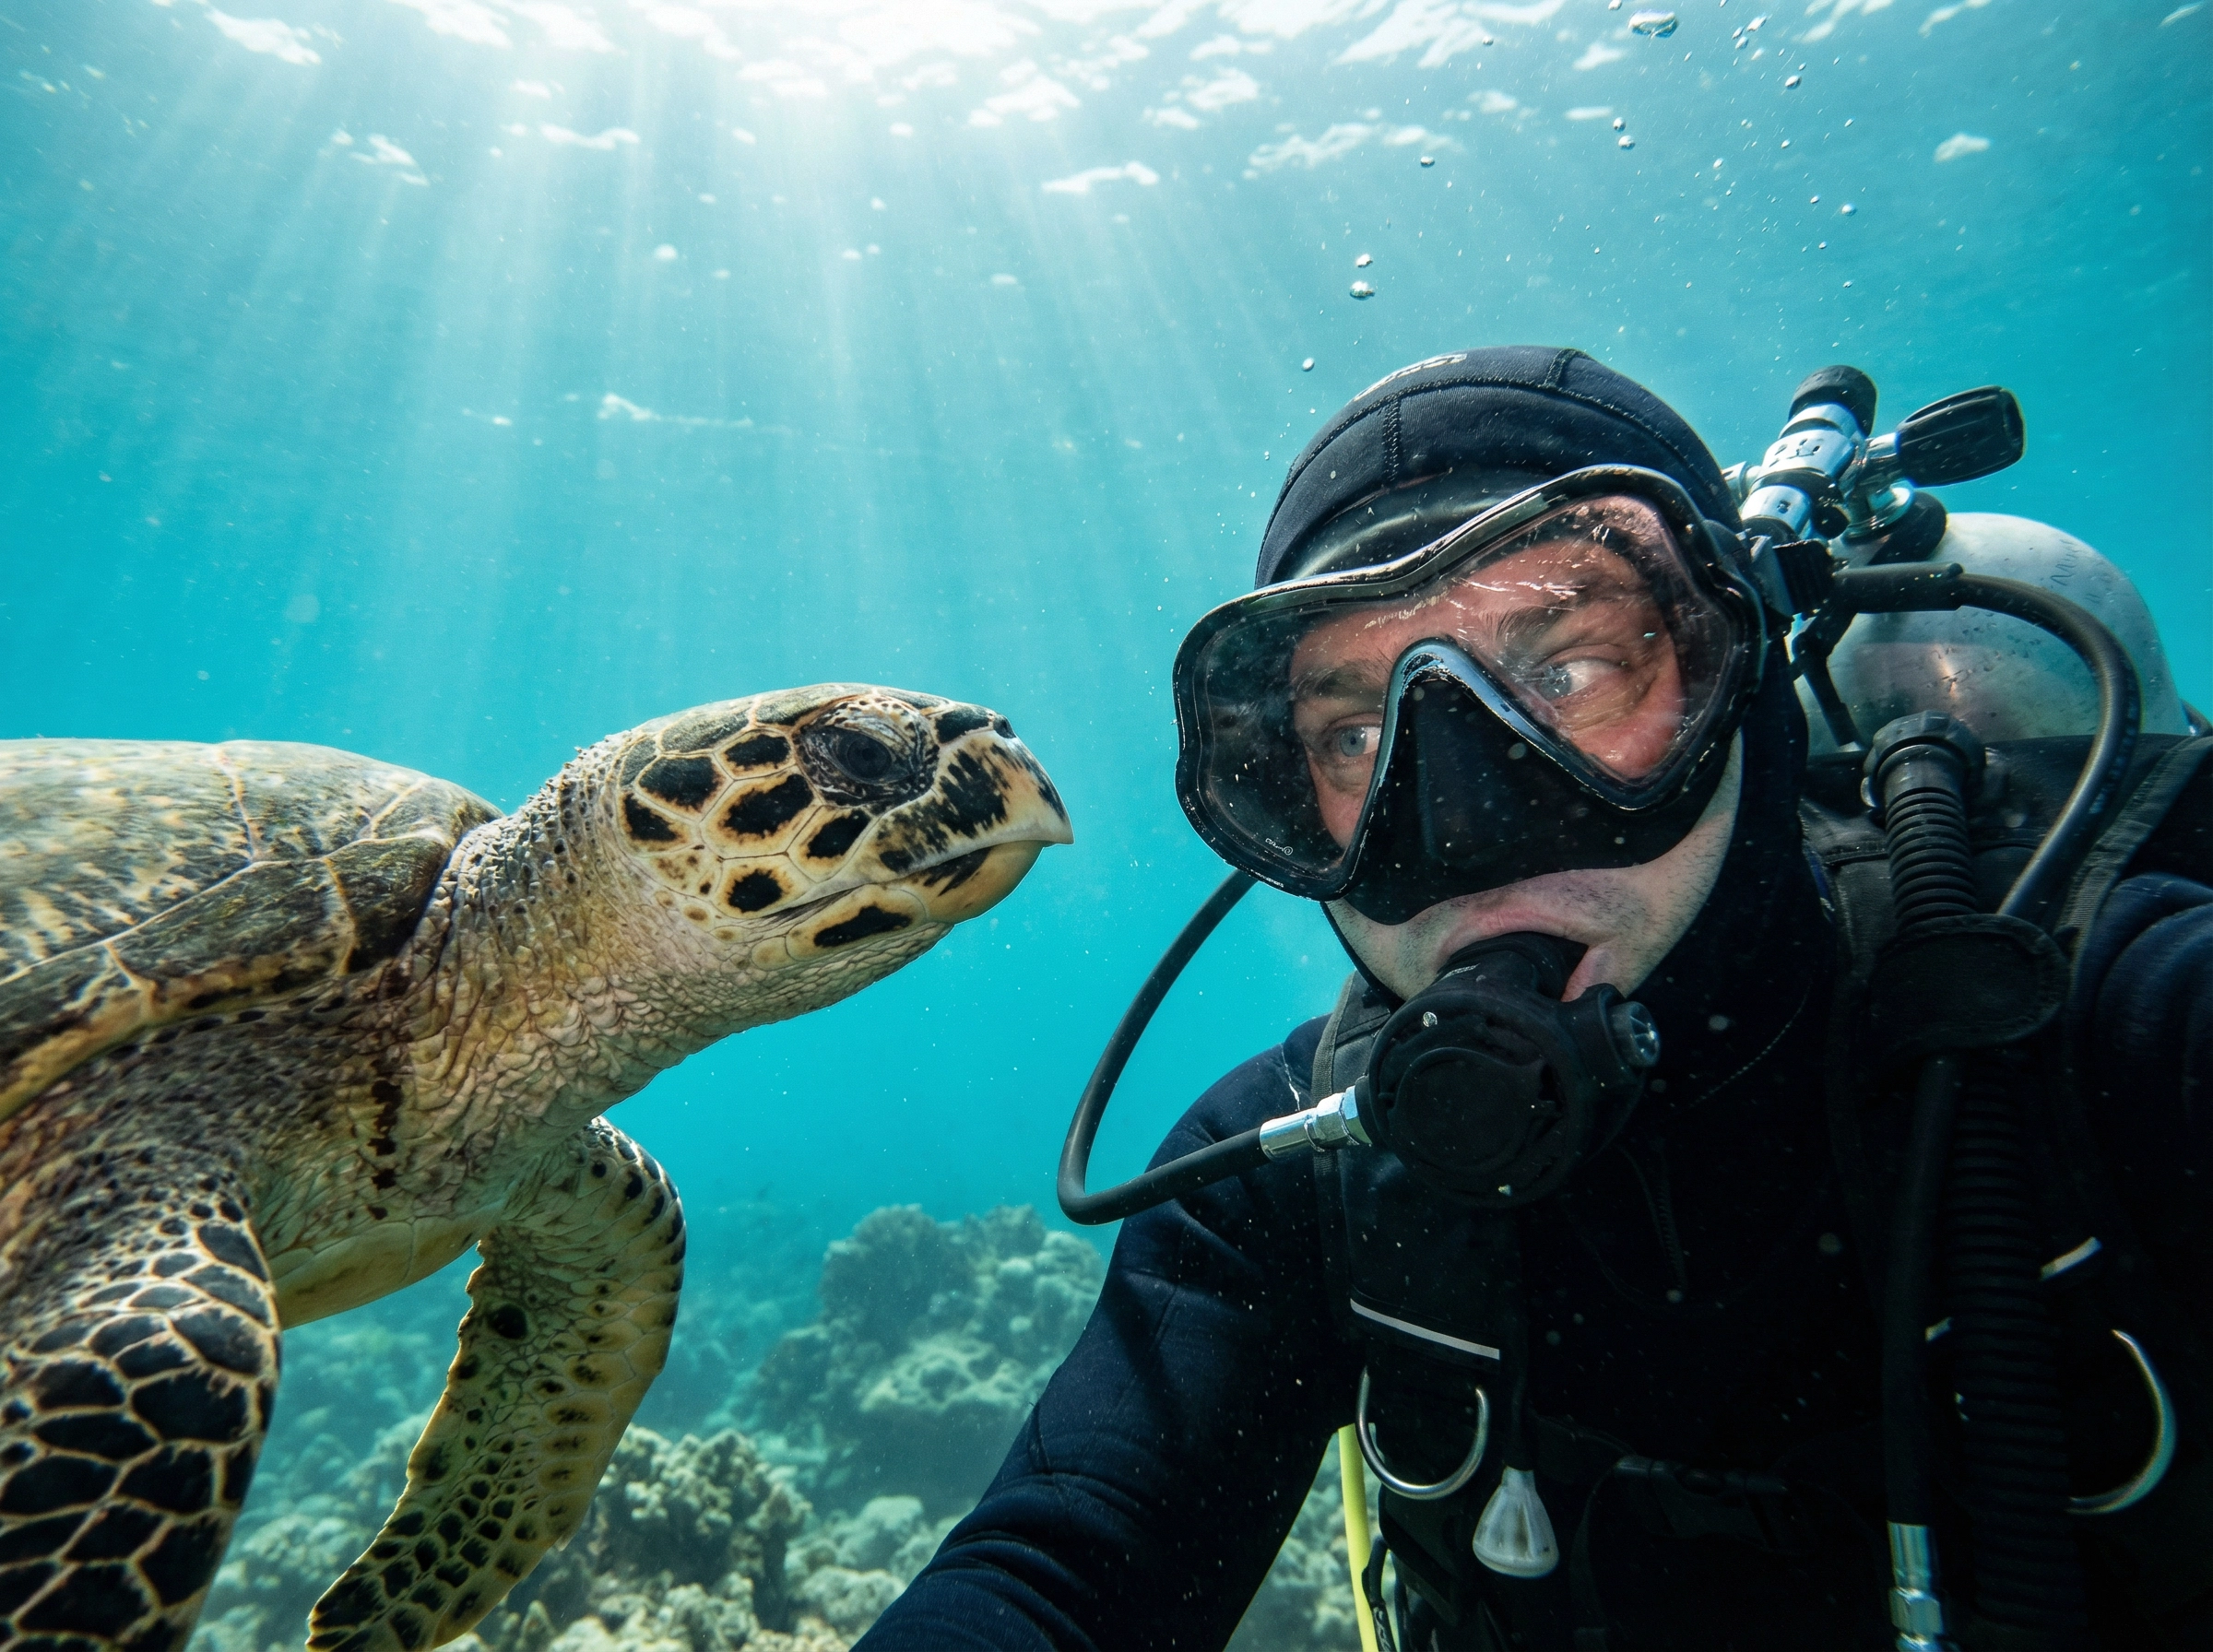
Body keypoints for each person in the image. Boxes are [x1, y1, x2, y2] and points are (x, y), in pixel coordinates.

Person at [855, 348, 2211, 1651]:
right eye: (1357, 732)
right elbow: (1061, 1569)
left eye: (1567, 671)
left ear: (1731, 671)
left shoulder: (2113, 1029)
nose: (1466, 816)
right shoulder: (1292, 1171)